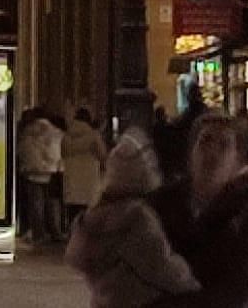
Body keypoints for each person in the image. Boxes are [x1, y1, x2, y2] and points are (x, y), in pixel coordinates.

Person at [65, 132, 199, 308]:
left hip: (104, 300)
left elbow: (75, 256)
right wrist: (191, 283)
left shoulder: (95, 213)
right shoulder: (137, 217)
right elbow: (159, 265)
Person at [151, 113, 248, 308]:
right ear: (191, 152)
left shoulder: (247, 216)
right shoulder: (161, 204)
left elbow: (237, 287)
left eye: (224, 145)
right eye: (205, 141)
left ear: (238, 161)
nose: (212, 152)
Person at [61, 108, 110, 232]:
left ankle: (73, 234)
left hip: (71, 179)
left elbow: (63, 153)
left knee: (73, 212)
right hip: (89, 180)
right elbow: (103, 155)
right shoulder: (93, 136)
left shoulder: (66, 136)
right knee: (88, 213)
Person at [19, 107, 63, 243]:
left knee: (35, 204)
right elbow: (55, 153)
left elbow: (23, 151)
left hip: (32, 171)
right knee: (52, 204)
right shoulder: (55, 132)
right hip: (51, 171)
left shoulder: (27, 132)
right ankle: (54, 231)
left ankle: (39, 233)